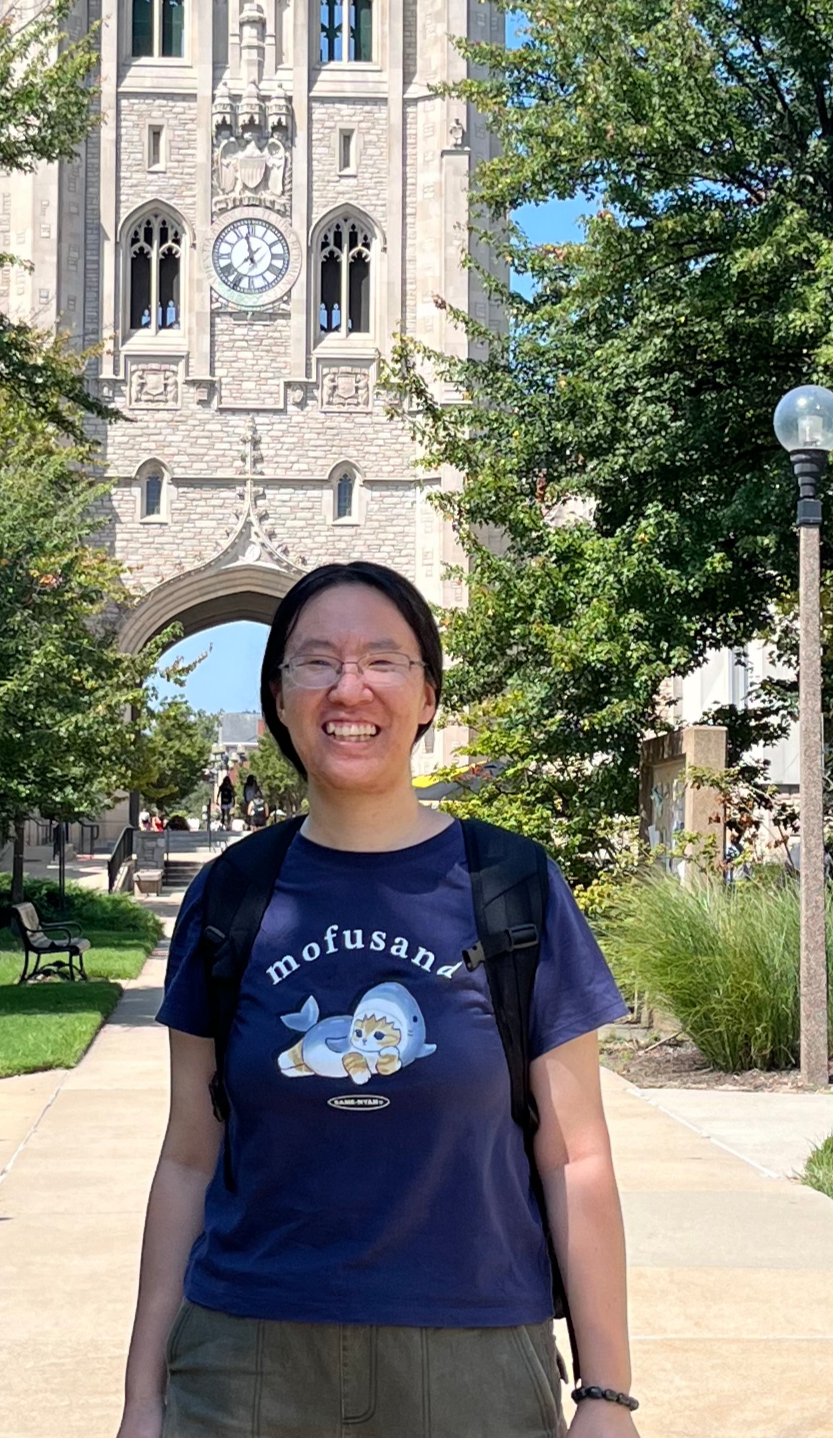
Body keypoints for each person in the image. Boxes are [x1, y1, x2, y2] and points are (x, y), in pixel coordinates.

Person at [117, 562, 636, 1438]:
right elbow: (188, 1161)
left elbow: (575, 1156)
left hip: (473, 1367)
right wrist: (142, 1402)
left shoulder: (511, 886)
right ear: (279, 698)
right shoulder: (232, 896)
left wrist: (607, 1396)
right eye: (317, 661)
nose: (349, 687)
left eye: (383, 660)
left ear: (428, 695)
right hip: (244, 1366)